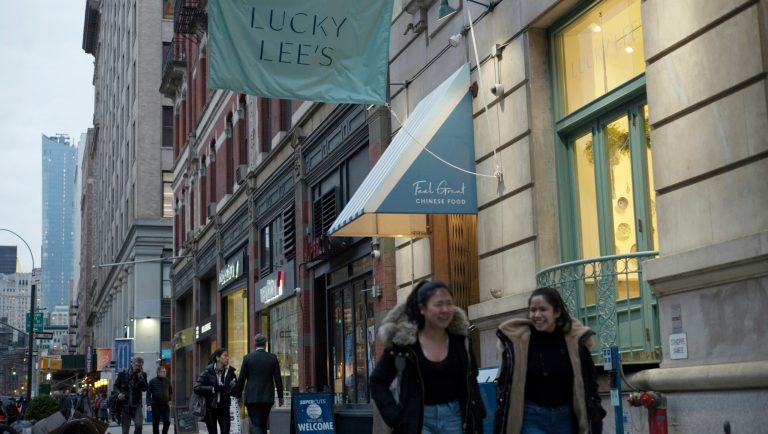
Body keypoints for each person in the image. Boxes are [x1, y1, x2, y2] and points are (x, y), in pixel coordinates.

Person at [370, 280, 486, 434]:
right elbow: (378, 381)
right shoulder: (403, 344)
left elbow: (471, 378)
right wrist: (395, 417)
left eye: (449, 303)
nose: (445, 310)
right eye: (438, 304)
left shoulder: (461, 341)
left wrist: (476, 412)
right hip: (418, 420)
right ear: (422, 308)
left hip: (456, 418)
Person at [494, 287, 606, 434]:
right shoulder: (518, 342)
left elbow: (590, 379)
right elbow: (504, 381)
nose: (537, 315)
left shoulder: (574, 341)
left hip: (565, 418)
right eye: (533, 310)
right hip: (531, 417)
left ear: (557, 312)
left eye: (543, 309)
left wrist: (594, 407)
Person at [235, 334, 284, 434]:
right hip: (267, 397)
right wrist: (280, 396)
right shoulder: (272, 358)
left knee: (256, 423)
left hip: (252, 397)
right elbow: (278, 379)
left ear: (254, 344)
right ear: (265, 344)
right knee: (263, 423)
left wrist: (238, 395)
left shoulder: (248, 358)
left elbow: (241, 379)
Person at [194, 348, 238, 434]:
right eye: (225, 355)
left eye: (227, 356)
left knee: (225, 432)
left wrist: (231, 387)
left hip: (224, 407)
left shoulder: (230, 372)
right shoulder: (207, 371)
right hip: (210, 408)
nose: (227, 358)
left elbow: (234, 389)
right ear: (218, 358)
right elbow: (196, 387)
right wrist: (213, 389)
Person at [114, 357, 149, 434]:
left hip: (137, 405)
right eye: (136, 365)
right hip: (125, 405)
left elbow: (145, 388)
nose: (138, 368)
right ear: (132, 364)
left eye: (140, 366)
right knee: (125, 431)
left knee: (139, 425)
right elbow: (115, 386)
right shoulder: (122, 374)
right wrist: (119, 393)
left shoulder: (143, 375)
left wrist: (141, 379)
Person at [147, 366, 173, 434]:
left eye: (165, 371)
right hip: (156, 405)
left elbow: (170, 391)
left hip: (165, 405)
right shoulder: (152, 381)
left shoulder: (167, 380)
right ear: (158, 372)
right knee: (156, 423)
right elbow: (148, 394)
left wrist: (169, 399)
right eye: (163, 371)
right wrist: (149, 404)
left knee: (167, 422)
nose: (165, 373)